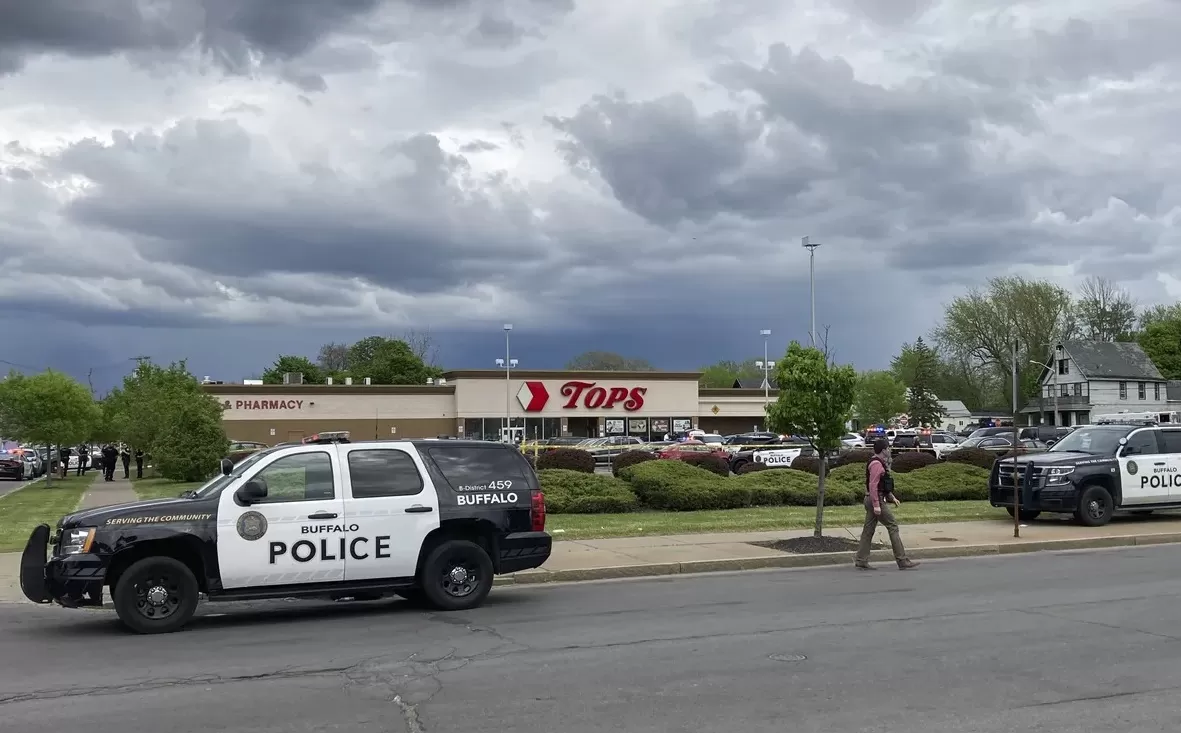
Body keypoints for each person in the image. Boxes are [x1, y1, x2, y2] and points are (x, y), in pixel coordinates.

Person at [855, 438, 918, 571]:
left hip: (872, 499)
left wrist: (891, 497)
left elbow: (882, 485)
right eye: (888, 448)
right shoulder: (876, 464)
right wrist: (877, 505)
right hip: (874, 499)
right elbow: (873, 485)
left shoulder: (878, 462)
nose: (889, 450)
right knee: (893, 526)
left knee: (868, 530)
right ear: (884, 450)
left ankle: (861, 560)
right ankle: (902, 560)